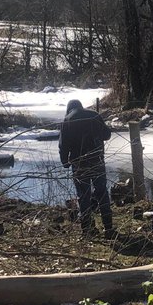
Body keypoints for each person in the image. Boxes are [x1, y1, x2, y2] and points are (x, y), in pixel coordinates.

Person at [58, 99, 115, 239]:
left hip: (79, 164)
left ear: (69, 109)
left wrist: (65, 161)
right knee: (102, 193)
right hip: (97, 161)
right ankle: (109, 228)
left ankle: (87, 230)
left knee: (83, 196)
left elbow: (63, 144)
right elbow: (107, 135)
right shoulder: (94, 115)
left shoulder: (67, 120)